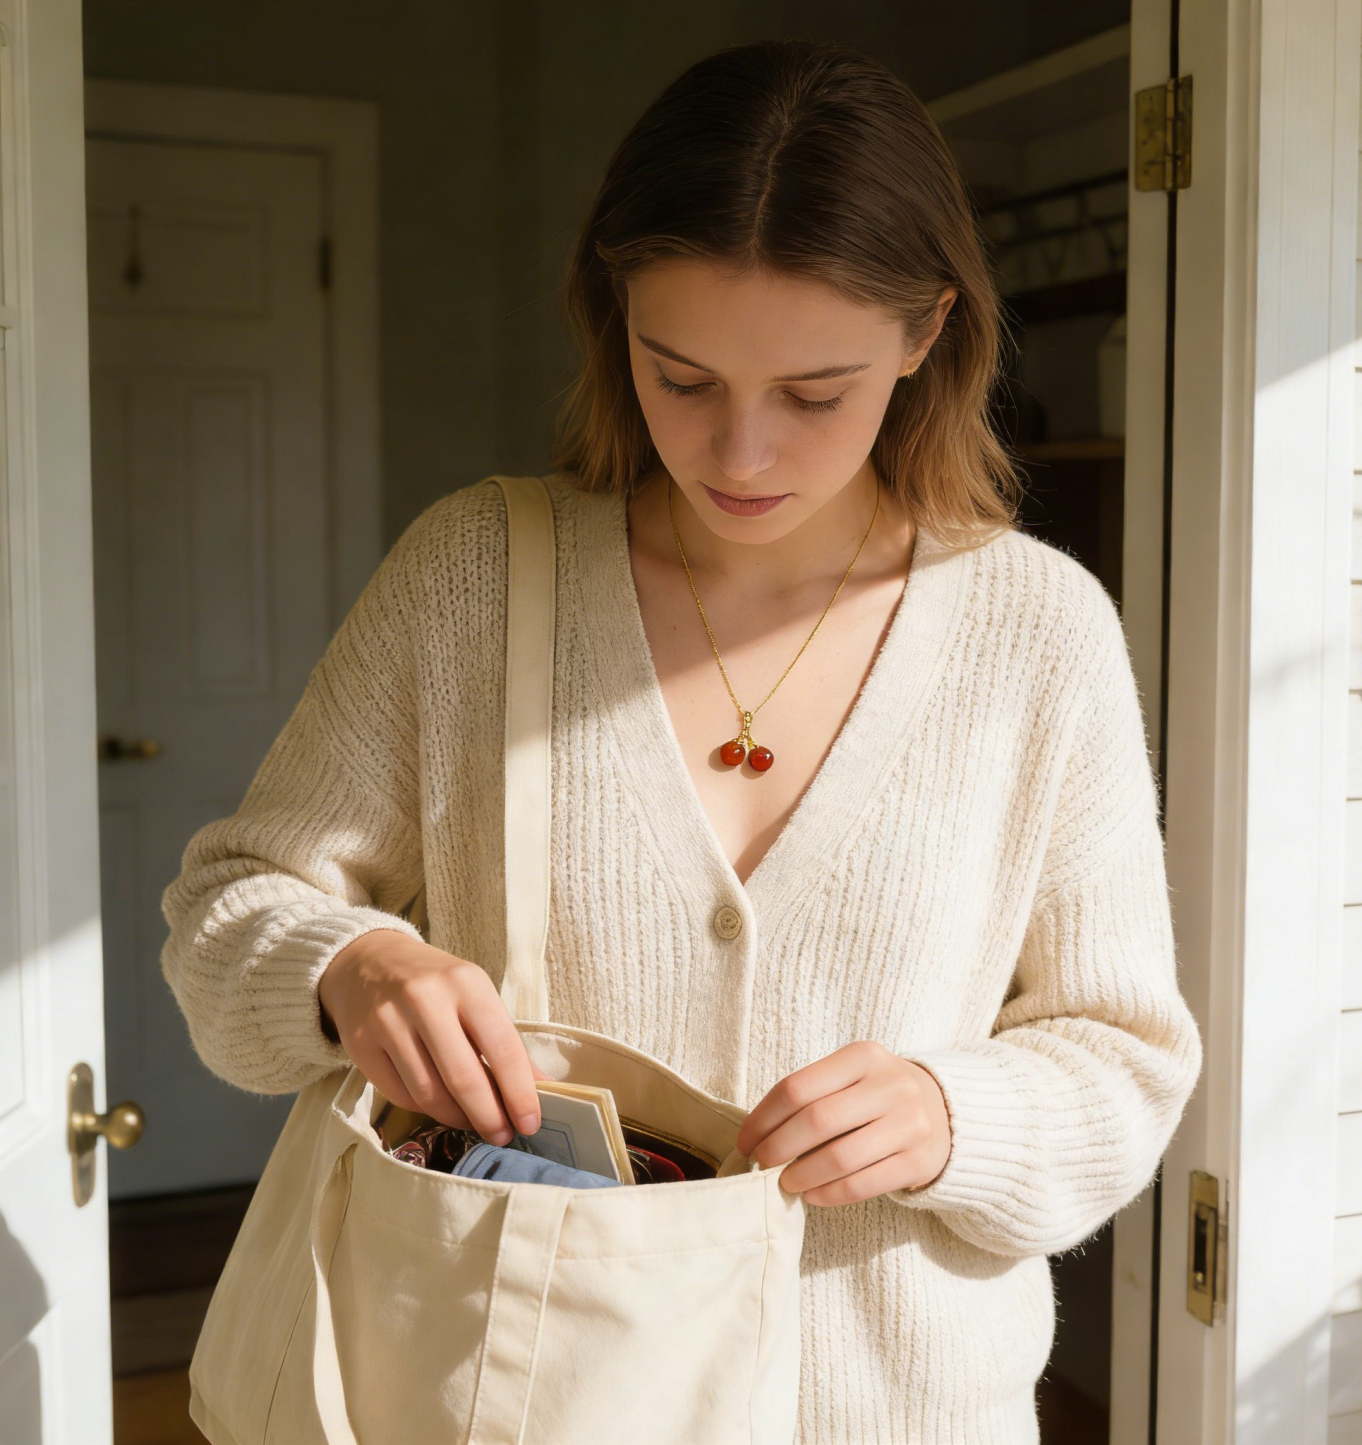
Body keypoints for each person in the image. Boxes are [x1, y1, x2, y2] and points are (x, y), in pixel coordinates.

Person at [161, 39, 1201, 1443]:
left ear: (926, 335)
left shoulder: (1038, 632)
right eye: (683, 377)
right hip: (514, 1405)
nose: (741, 454)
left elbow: (1124, 1057)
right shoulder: (474, 580)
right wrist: (350, 968)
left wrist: (956, 1116)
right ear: (618, 319)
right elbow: (228, 910)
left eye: (814, 393)